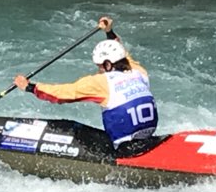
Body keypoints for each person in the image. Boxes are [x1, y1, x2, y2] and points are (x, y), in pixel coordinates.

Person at [13, 16, 159, 149]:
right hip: (146, 137)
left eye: (99, 66)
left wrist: (30, 87)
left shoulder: (102, 82)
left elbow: (64, 94)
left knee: (71, 128)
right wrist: (109, 31)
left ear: (108, 65)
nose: (98, 70)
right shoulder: (139, 72)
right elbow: (123, 54)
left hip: (124, 147)